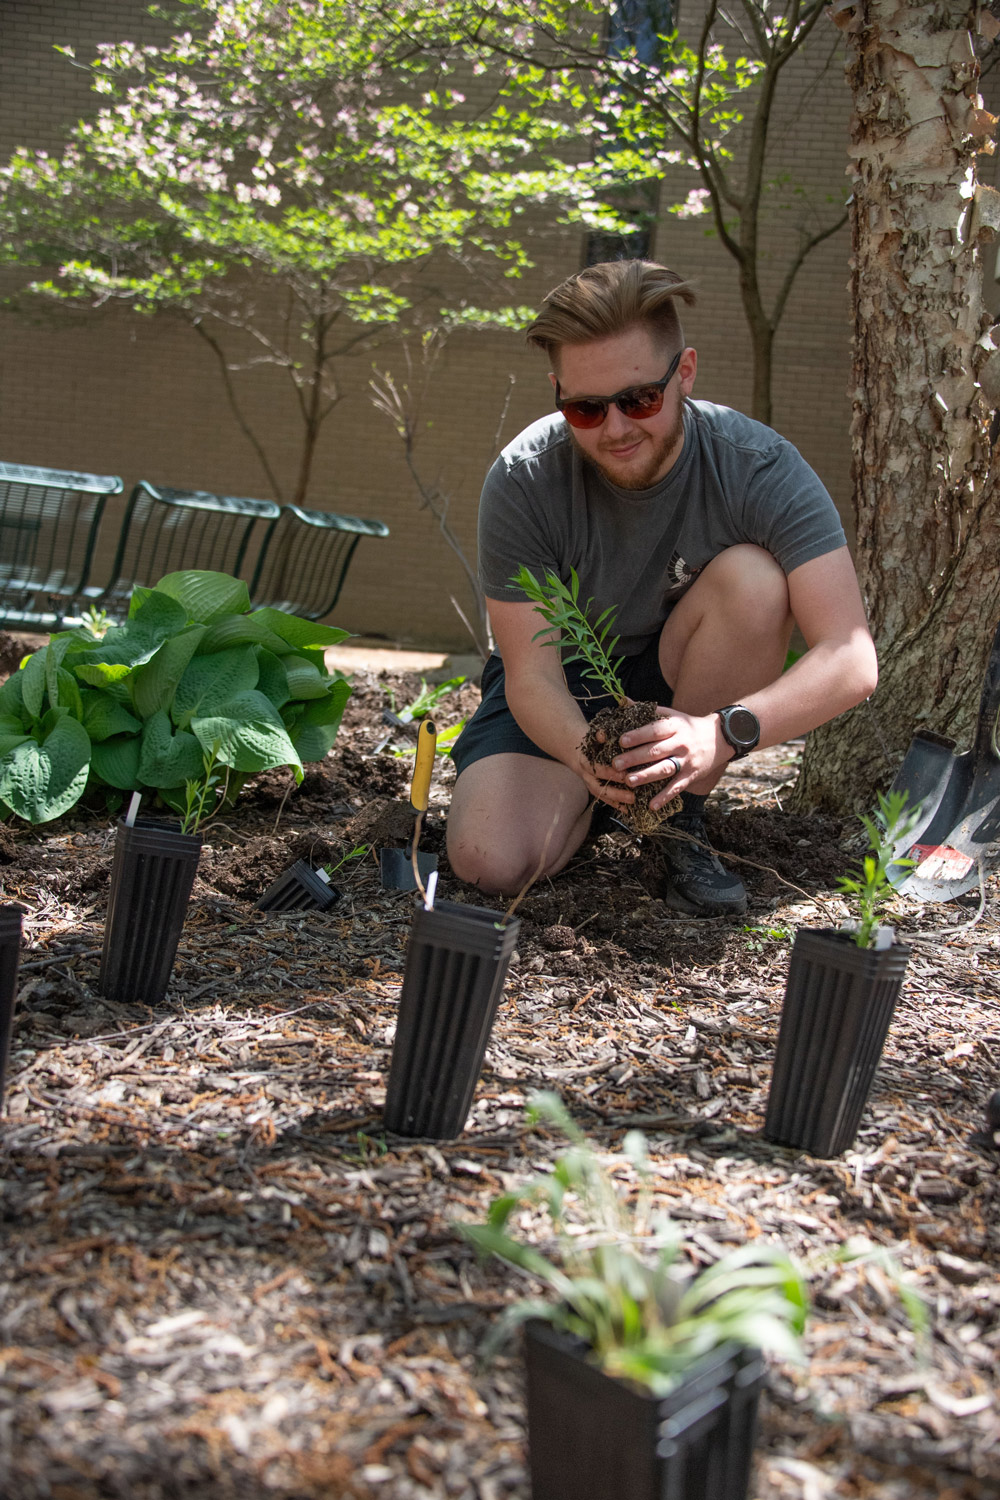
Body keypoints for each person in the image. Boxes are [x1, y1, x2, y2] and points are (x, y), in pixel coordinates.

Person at [446, 259, 878, 915]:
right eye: (584, 408)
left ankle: (677, 815)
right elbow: (530, 675)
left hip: (688, 687)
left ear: (686, 373)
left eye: (639, 399)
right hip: (566, 688)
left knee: (755, 581)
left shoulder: (757, 467)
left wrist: (723, 733)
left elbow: (850, 659)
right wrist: (586, 757)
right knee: (490, 862)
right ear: (558, 391)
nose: (615, 429)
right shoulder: (524, 478)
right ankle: (605, 797)